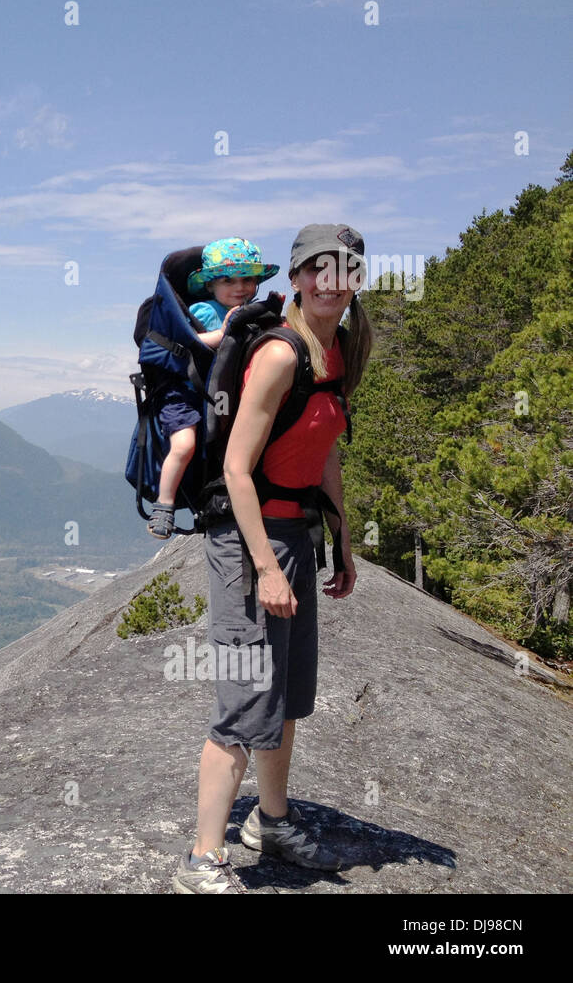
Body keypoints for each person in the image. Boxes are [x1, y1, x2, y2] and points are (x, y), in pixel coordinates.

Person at [172, 224, 374, 894]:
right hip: (247, 538)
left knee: (283, 697)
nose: (330, 282)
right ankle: (204, 859)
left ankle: (273, 821)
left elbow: (326, 448)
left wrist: (341, 539)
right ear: (295, 278)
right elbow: (235, 469)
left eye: (345, 269)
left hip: (296, 535)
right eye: (317, 269)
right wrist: (262, 567)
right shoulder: (283, 354)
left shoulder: (339, 350)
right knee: (243, 703)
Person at [148, 238, 278, 539]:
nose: (240, 287)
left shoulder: (249, 311)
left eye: (248, 279)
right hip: (182, 394)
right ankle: (163, 506)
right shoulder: (205, 311)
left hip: (217, 396)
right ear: (210, 286)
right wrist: (223, 333)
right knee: (184, 446)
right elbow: (189, 343)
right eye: (228, 280)